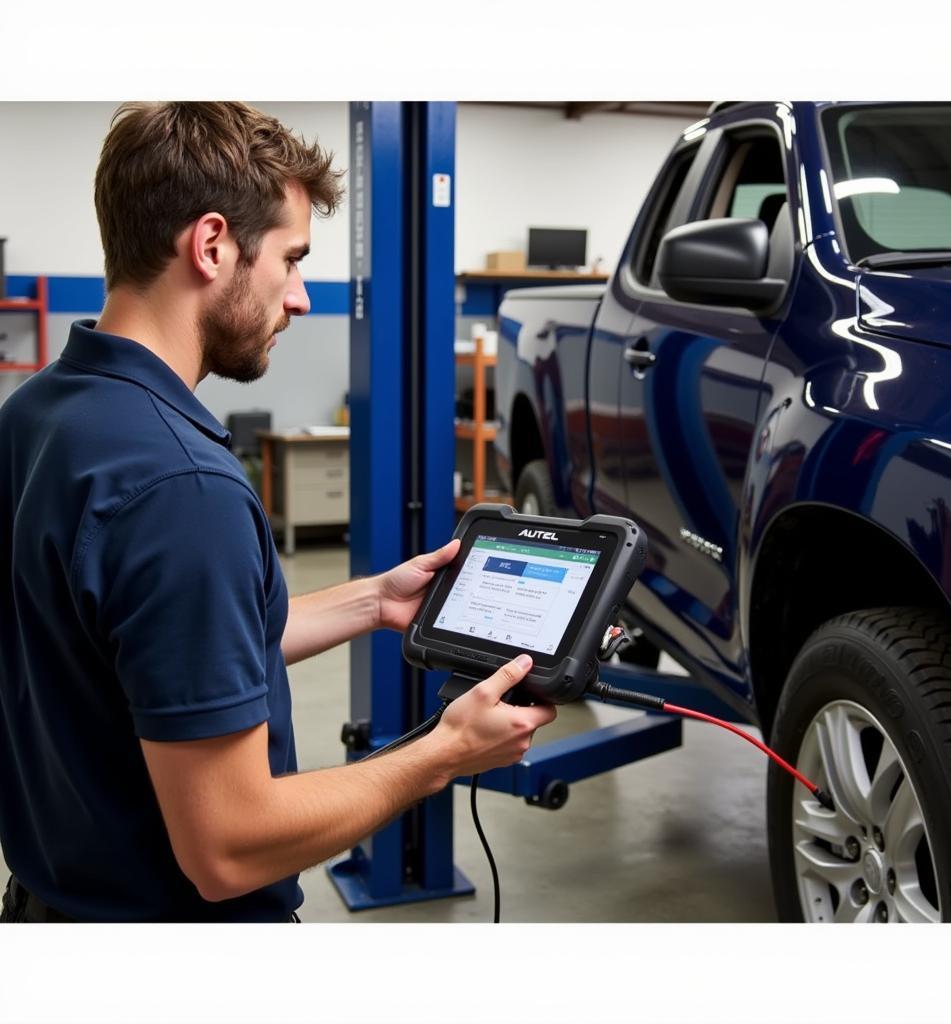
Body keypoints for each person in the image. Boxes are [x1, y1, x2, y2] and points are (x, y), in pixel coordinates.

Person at [0, 101, 556, 923]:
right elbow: (228, 847)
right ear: (213, 244)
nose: (299, 297)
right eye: (291, 259)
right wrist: (443, 753)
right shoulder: (183, 488)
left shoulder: (38, 413)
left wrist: (372, 600)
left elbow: (155, 653)